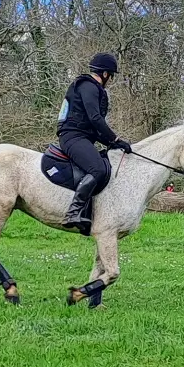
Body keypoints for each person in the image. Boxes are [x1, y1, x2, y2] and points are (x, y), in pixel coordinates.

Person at [58, 52, 133, 235]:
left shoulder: (89, 87)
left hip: (81, 136)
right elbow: (95, 119)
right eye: (111, 76)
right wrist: (115, 138)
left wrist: (113, 143)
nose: (110, 80)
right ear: (105, 74)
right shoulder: (89, 87)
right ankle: (73, 212)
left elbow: (92, 128)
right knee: (98, 169)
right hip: (72, 137)